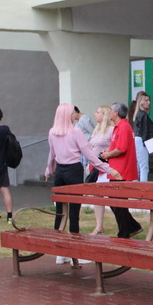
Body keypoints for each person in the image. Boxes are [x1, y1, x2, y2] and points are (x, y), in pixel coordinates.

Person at [45, 104, 120, 265]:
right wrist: (108, 168)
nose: (74, 115)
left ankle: (60, 252)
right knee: (73, 212)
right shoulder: (75, 132)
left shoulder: (53, 132)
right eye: (72, 113)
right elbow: (90, 155)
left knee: (61, 212)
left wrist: (49, 170)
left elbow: (52, 154)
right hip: (73, 171)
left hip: (60, 172)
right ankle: (74, 255)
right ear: (67, 115)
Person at [99, 102, 142, 238]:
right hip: (116, 169)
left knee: (118, 203)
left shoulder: (123, 127)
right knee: (115, 202)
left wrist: (107, 155)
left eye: (111, 110)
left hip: (121, 171)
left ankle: (125, 232)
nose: (109, 112)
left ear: (116, 113)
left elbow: (121, 149)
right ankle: (132, 227)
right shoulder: (118, 127)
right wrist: (108, 152)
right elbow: (117, 147)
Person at [86, 105, 114, 235]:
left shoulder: (111, 130)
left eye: (98, 112)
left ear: (104, 115)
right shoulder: (96, 130)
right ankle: (99, 225)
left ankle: (126, 223)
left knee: (110, 197)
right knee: (96, 196)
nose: (95, 114)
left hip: (105, 167)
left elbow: (114, 147)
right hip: (94, 168)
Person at [132, 92, 153, 182]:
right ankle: (143, 187)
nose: (149, 102)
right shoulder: (143, 115)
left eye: (149, 100)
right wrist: (150, 145)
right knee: (144, 167)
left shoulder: (139, 114)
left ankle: (137, 186)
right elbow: (145, 131)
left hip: (138, 139)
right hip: (142, 139)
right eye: (146, 100)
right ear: (141, 102)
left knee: (139, 166)